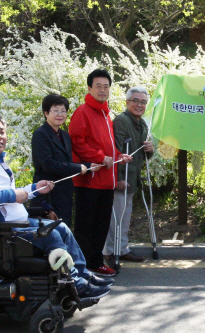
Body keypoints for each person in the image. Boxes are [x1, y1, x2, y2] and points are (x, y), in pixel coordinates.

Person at [0, 114, 114, 301]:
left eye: (2, 132)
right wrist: (13, 195)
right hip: (1, 231)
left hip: (16, 223)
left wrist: (35, 188)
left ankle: (82, 275)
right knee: (51, 234)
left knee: (61, 227)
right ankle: (75, 283)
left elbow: (15, 194)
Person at [69, 69, 132, 277]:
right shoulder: (82, 112)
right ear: (89, 88)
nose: (103, 90)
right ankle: (83, 267)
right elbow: (77, 142)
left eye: (106, 86)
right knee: (85, 228)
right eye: (98, 86)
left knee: (101, 226)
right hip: (89, 181)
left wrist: (118, 155)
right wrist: (98, 157)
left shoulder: (106, 114)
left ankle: (95, 263)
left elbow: (108, 147)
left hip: (106, 181)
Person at [31, 94, 101, 227]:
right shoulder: (40, 134)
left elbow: (67, 162)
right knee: (49, 235)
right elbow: (48, 164)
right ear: (46, 113)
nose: (60, 114)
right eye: (55, 110)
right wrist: (78, 168)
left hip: (65, 194)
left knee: (65, 231)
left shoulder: (64, 135)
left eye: (63, 111)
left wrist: (88, 166)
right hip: (48, 194)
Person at [103, 87, 155, 266]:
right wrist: (118, 178)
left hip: (133, 178)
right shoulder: (121, 121)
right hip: (122, 177)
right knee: (116, 217)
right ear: (127, 102)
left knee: (125, 217)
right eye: (136, 101)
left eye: (143, 102)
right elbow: (116, 150)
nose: (139, 105)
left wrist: (150, 150)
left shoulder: (142, 124)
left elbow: (142, 154)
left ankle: (122, 249)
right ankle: (110, 251)